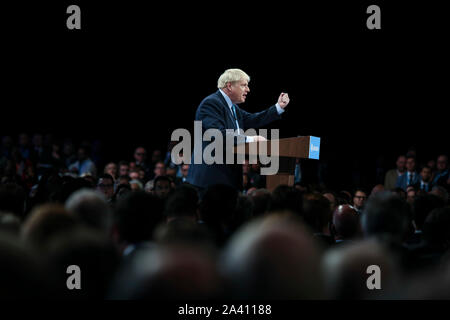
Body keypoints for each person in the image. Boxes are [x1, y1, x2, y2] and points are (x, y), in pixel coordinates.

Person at [187, 68, 290, 192]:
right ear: (229, 86)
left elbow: (253, 119)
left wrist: (278, 107)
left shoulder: (232, 107)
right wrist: (251, 139)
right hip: (211, 179)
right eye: (244, 85)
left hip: (226, 179)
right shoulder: (211, 103)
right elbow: (219, 135)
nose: (248, 89)